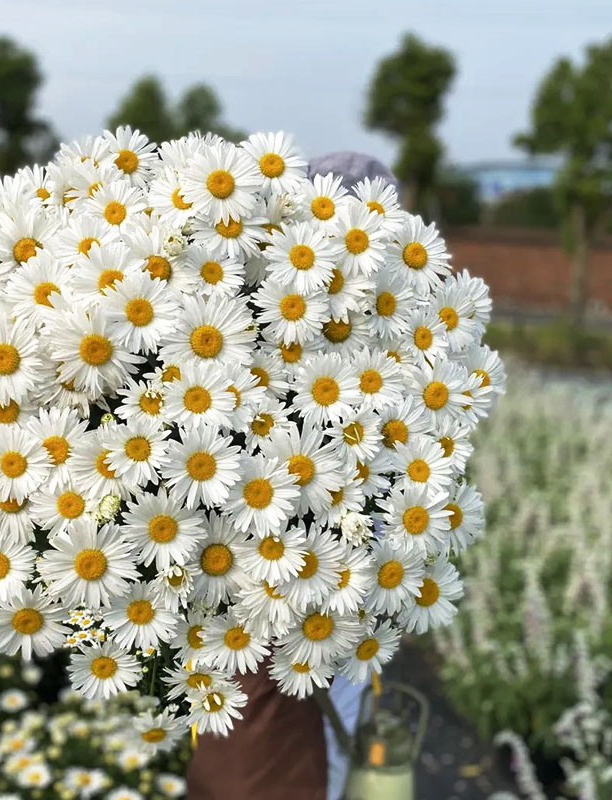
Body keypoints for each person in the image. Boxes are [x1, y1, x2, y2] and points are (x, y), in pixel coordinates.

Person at [186, 150, 400, 800]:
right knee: (287, 756)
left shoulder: (365, 336)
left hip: (294, 611)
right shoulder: (261, 333)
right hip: (278, 611)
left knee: (294, 752)